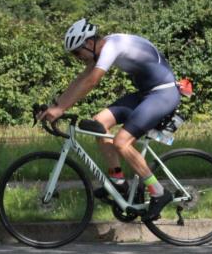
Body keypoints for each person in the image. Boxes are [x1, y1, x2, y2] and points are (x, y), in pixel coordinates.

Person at [36, 19, 181, 221]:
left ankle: (158, 191)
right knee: (99, 122)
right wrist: (55, 105)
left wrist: (61, 109)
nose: (78, 58)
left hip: (163, 94)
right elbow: (80, 80)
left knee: (121, 142)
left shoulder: (112, 46)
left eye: (77, 53)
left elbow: (92, 81)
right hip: (146, 94)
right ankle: (118, 181)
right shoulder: (103, 49)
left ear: (88, 43)